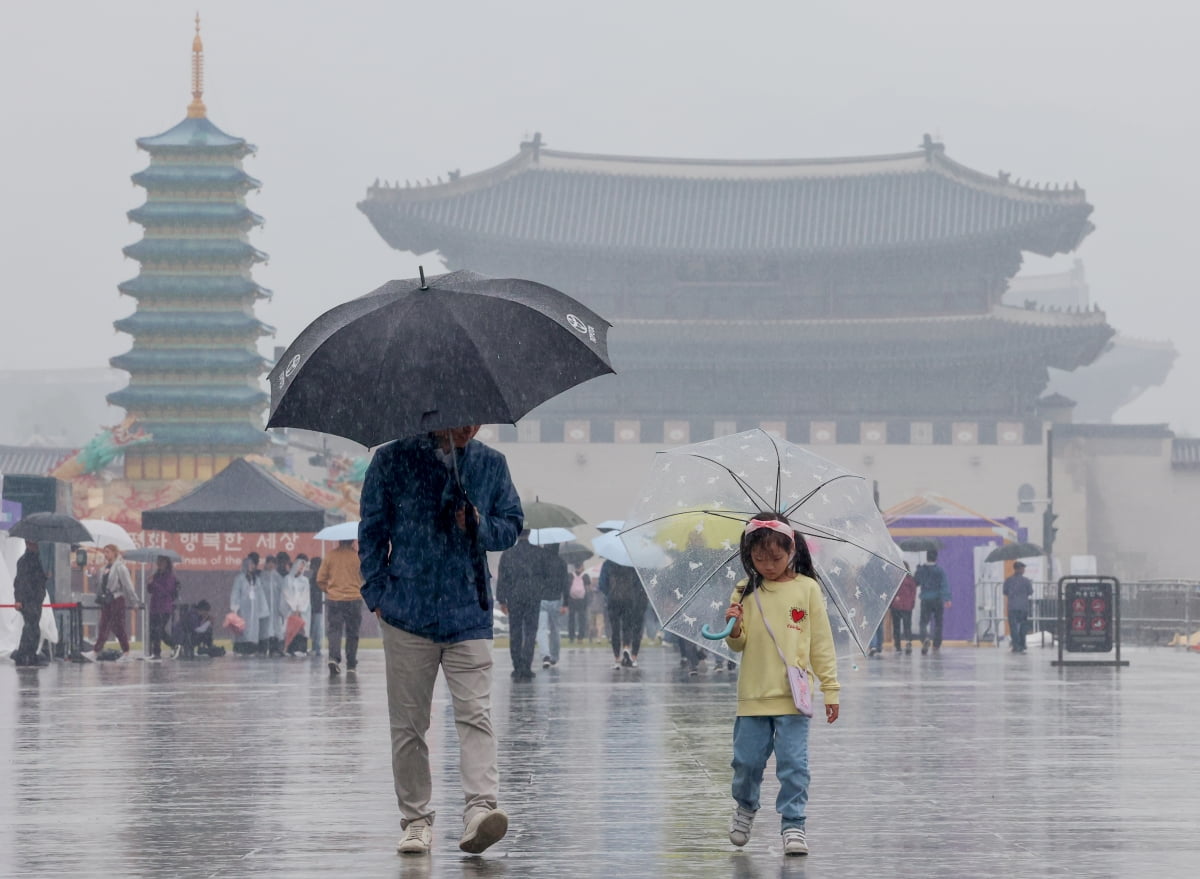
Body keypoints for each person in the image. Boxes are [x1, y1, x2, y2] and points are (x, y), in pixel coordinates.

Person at [359, 424, 523, 856]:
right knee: (409, 725)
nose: (471, 426)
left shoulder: (490, 464)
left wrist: (479, 524)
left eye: (477, 416)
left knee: (476, 714)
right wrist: (376, 591)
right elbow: (372, 529)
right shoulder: (392, 461)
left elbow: (511, 524)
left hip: (468, 608)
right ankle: (415, 819)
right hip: (406, 609)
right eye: (461, 415)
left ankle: (480, 808)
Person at [722, 513, 839, 857]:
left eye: (775, 557)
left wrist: (831, 689)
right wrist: (733, 626)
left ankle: (793, 824)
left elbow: (821, 643)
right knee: (746, 763)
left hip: (794, 697)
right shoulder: (744, 590)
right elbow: (737, 645)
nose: (767, 565)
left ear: (791, 550)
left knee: (794, 766)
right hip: (753, 696)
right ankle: (745, 808)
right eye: (758, 558)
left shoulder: (807, 589)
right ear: (748, 555)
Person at [496, 530, 548, 681]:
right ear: (530, 533)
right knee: (531, 631)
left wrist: (502, 600)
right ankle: (527, 665)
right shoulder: (539, 553)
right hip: (533, 596)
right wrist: (539, 589)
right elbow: (545, 576)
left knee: (515, 631)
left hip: (514, 596)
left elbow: (502, 579)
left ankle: (517, 666)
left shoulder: (508, 554)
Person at [83, 545, 138, 662]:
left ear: (114, 553)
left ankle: (126, 651)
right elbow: (100, 584)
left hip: (117, 599)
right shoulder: (104, 568)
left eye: (107, 552)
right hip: (106, 600)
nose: (105, 555)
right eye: (104, 552)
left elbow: (128, 586)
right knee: (104, 625)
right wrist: (93, 575)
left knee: (117, 626)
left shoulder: (120, 567)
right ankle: (96, 651)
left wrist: (134, 602)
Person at [318, 540, 363, 675]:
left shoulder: (330, 556)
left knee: (334, 630)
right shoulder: (358, 557)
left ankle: (333, 658)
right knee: (352, 633)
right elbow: (366, 575)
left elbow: (320, 579)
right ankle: (351, 663)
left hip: (335, 599)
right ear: (352, 542)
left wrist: (330, 590)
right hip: (354, 599)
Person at [599, 558, 647, 669]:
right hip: (628, 600)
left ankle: (617, 659)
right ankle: (626, 647)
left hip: (613, 600)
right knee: (627, 627)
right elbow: (637, 583)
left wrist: (609, 593)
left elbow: (602, 584)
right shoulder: (631, 563)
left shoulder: (608, 563)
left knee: (615, 630)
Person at [11, 540, 48, 667]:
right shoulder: (24, 561)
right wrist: (19, 599)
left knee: (33, 627)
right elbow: (20, 582)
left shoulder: (37, 560)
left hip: (35, 598)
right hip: (28, 599)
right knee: (31, 627)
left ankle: (27, 653)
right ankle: (24, 653)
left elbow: (38, 580)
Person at [535, 543, 569, 669]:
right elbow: (565, 583)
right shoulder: (561, 563)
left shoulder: (540, 561)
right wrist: (566, 602)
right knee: (555, 629)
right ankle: (554, 656)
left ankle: (545, 655)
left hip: (542, 598)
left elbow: (536, 580)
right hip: (556, 599)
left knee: (542, 628)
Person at [229, 553, 268, 656]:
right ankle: (240, 649)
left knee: (252, 630)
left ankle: (251, 649)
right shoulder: (239, 578)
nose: (251, 566)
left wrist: (262, 609)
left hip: (254, 610)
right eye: (249, 564)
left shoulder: (257, 579)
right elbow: (235, 593)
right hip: (242, 609)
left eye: (252, 564)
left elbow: (260, 595)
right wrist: (234, 608)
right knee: (242, 630)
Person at [916, 550, 952, 655]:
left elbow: (916, 582)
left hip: (925, 599)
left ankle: (925, 639)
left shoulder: (922, 570)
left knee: (923, 622)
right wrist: (947, 599)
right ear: (936, 558)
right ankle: (936, 644)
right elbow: (944, 585)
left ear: (926, 558)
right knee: (938, 623)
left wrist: (918, 571)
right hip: (937, 599)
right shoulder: (940, 571)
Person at [145, 555, 180, 661]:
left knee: (159, 630)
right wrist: (149, 584)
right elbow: (151, 591)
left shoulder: (170, 576)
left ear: (166, 563)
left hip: (164, 608)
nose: (159, 563)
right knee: (154, 630)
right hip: (154, 607)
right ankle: (172, 645)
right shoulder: (156, 575)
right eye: (158, 561)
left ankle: (157, 653)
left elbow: (166, 591)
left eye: (161, 561)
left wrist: (154, 584)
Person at [281, 555, 311, 655]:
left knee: (301, 629)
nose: (301, 568)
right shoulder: (287, 579)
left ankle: (301, 650)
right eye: (300, 566)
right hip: (290, 610)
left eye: (303, 566)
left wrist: (300, 609)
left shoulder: (305, 580)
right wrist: (293, 608)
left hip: (302, 610)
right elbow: (287, 594)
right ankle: (290, 649)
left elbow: (305, 595)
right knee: (290, 630)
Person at [1002, 561, 1035, 654]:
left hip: (1012, 607)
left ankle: (1016, 646)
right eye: (1023, 568)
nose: (1024, 570)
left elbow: (1005, 592)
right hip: (1023, 607)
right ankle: (1022, 644)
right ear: (1020, 569)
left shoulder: (1008, 580)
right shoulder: (1026, 581)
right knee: (1023, 627)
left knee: (1013, 627)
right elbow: (1030, 592)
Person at [890, 565, 918, 654]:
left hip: (897, 606)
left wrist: (893, 600)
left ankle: (898, 645)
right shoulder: (909, 579)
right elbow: (913, 593)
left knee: (897, 626)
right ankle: (907, 642)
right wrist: (911, 603)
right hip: (906, 606)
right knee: (907, 626)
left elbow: (891, 591)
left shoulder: (894, 579)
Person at [566, 561, 591, 644]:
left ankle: (571, 637)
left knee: (571, 619)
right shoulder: (585, 576)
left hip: (571, 600)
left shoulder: (570, 575)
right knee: (582, 619)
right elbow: (588, 589)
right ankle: (580, 637)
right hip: (582, 601)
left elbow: (567, 588)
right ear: (582, 566)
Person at [308, 556, 324, 657]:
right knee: (315, 628)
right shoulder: (314, 577)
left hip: (316, 607)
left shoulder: (317, 578)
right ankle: (315, 647)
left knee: (316, 629)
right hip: (314, 607)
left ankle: (316, 648)